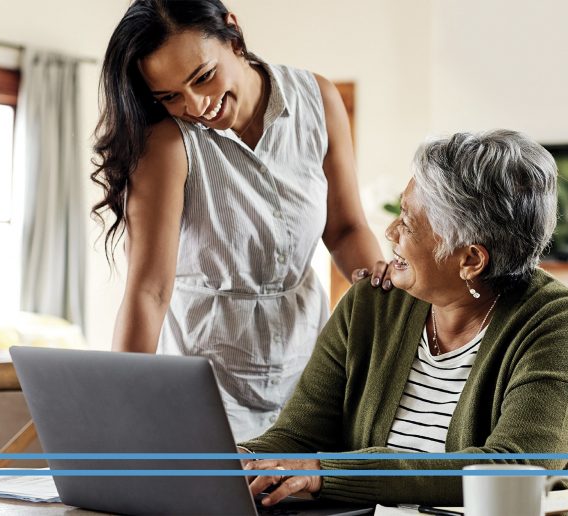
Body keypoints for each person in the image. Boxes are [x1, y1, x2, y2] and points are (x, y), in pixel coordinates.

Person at [239, 130, 568, 508]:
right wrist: (240, 457)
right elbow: (298, 436)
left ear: (471, 260)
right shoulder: (372, 302)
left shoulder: (555, 318)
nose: (390, 233)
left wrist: (327, 471)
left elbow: (515, 466)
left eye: (407, 224)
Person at [91, 0, 390, 441]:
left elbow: (345, 229)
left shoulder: (317, 100)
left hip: (309, 369)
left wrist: (380, 296)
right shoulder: (168, 144)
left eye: (203, 77)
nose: (196, 106)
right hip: (206, 379)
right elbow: (149, 291)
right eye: (169, 96)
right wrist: (121, 411)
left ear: (233, 35)